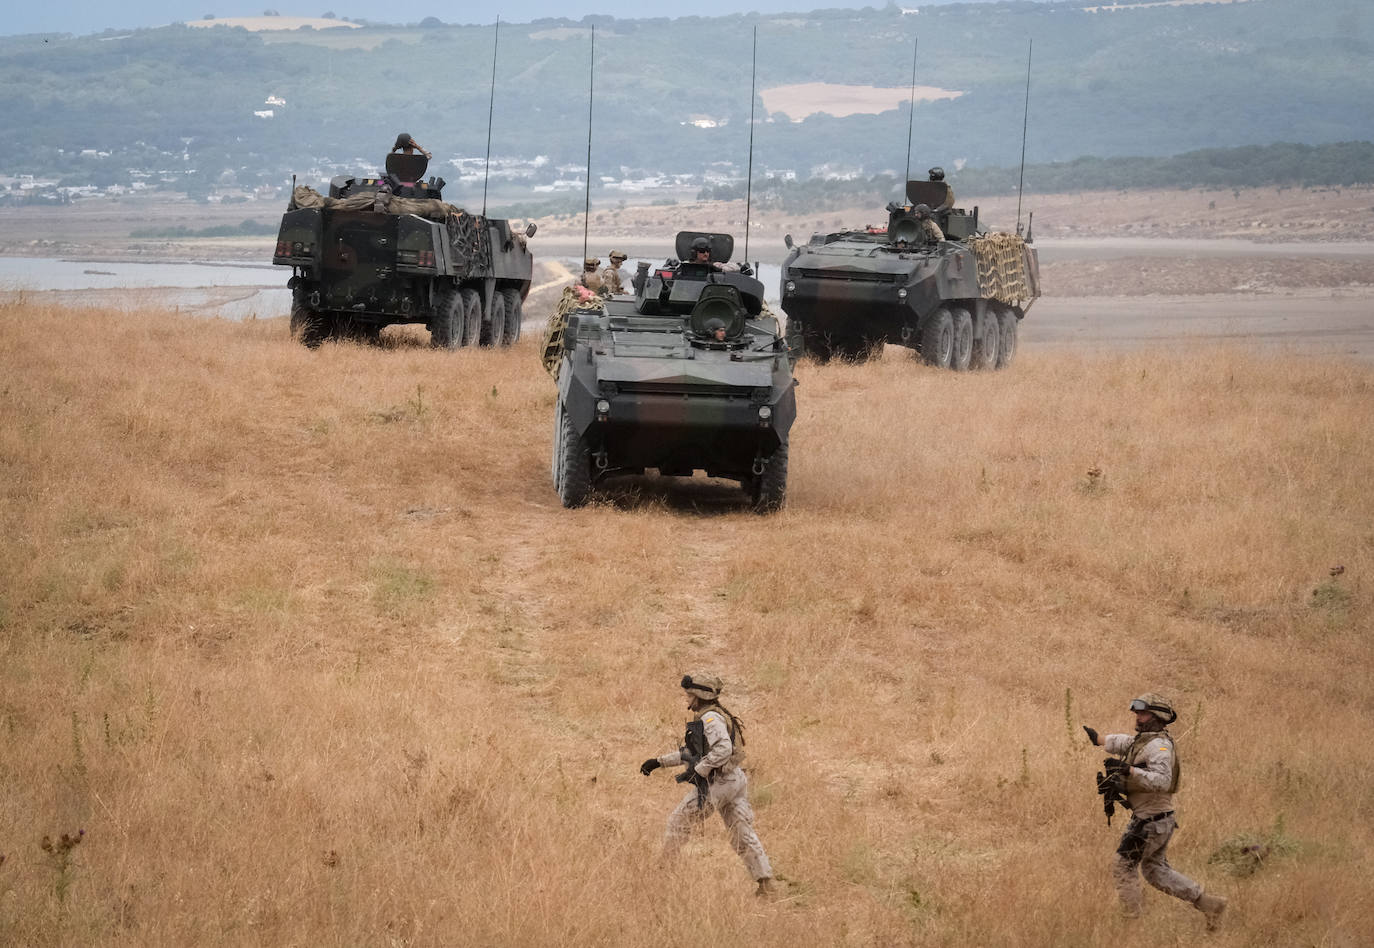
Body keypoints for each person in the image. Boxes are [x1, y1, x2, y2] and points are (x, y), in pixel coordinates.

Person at [1083, 694, 1228, 930]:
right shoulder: (1145, 741)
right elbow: (1126, 742)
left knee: (1123, 865)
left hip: (1150, 822)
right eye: (1138, 713)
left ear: (1157, 717)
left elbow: (1162, 781)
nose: (1138, 718)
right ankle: (1209, 904)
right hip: (1154, 820)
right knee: (1154, 870)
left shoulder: (1160, 746)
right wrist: (1099, 739)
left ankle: (1131, 924)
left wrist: (1129, 770)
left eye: (1143, 714)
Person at [640, 673, 776, 896]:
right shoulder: (714, 716)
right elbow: (695, 753)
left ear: (698, 696)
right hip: (735, 779)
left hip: (720, 782)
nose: (686, 699)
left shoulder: (710, 719)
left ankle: (661, 875)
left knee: (678, 821)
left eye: (689, 695)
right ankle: (765, 883)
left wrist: (701, 770)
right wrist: (659, 762)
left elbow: (723, 749)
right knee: (741, 832)